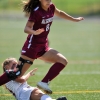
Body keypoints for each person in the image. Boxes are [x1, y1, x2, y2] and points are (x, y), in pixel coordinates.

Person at [0, 0, 84, 94]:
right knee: (17, 74)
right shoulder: (36, 12)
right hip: (32, 47)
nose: (49, 1)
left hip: (43, 47)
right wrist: (34, 32)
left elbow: (59, 13)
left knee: (62, 61)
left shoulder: (51, 7)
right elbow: (26, 28)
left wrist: (75, 19)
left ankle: (44, 82)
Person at [2, 57, 67, 100]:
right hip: (22, 93)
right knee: (38, 93)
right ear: (6, 66)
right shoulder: (8, 73)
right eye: (13, 64)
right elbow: (22, 80)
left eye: (16, 64)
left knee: (40, 94)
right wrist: (29, 74)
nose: (16, 66)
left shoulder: (13, 73)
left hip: (23, 93)